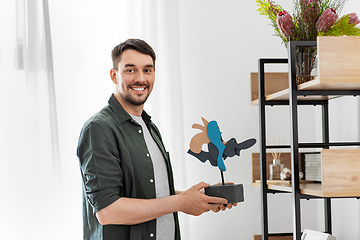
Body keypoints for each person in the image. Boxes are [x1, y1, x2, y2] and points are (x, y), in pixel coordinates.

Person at [77, 38, 235, 240]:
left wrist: (197, 199)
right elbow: (108, 211)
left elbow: (149, 194)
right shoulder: (99, 128)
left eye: (148, 70)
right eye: (130, 70)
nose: (141, 79)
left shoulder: (149, 127)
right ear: (114, 75)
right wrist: (180, 203)